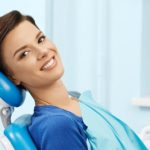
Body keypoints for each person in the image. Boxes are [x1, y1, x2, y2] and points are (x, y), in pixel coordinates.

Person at [0, 10, 147, 150]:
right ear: (12, 75)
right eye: (24, 53)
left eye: (41, 39)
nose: (43, 51)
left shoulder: (76, 99)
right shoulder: (57, 126)